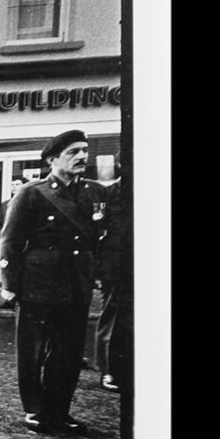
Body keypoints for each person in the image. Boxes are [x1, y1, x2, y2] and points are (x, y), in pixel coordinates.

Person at [0, 128, 101, 434]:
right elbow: (10, 241)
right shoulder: (32, 192)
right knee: (33, 351)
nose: (82, 156)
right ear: (52, 159)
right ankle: (36, 409)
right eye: (73, 152)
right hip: (39, 284)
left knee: (69, 353)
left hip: (76, 283)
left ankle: (60, 410)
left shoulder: (94, 193)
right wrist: (9, 284)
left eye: (84, 150)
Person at [95, 163, 130, 395]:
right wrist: (99, 271)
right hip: (118, 268)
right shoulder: (110, 193)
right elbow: (98, 232)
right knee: (114, 320)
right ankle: (110, 370)